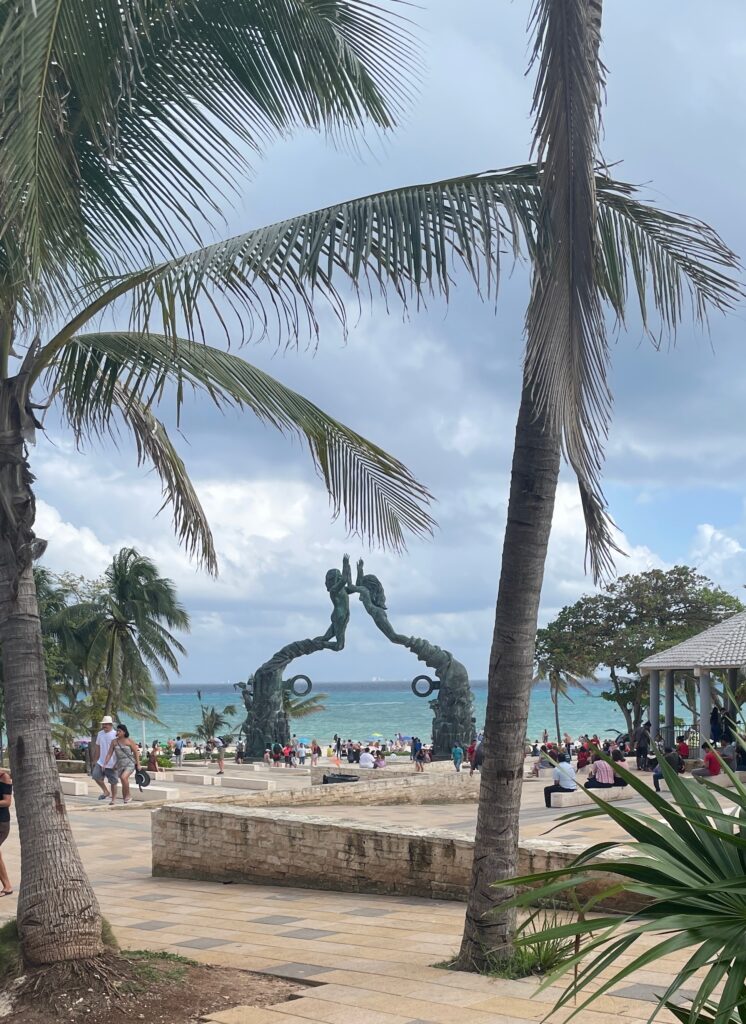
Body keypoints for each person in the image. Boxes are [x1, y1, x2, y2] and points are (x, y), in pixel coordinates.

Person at [103, 723, 141, 805]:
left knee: (124, 778)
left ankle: (128, 796)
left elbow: (136, 753)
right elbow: (109, 753)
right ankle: (125, 798)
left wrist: (138, 764)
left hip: (129, 762)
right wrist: (105, 764)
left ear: (124, 732)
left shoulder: (129, 741)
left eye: (119, 731)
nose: (117, 732)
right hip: (120, 763)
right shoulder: (114, 742)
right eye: (117, 730)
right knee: (123, 781)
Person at [92, 715, 119, 802]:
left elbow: (119, 750)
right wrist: (95, 759)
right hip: (101, 761)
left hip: (112, 762)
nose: (104, 726)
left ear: (111, 725)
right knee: (95, 776)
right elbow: (97, 747)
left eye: (106, 724)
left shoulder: (115, 735)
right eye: (103, 724)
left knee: (113, 782)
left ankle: (113, 799)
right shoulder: (100, 734)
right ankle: (106, 791)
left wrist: (117, 763)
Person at [0, 768, 12, 897]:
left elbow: (7, 802)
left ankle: (7, 886)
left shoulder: (4, 777)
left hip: (1, 822)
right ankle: (7, 886)